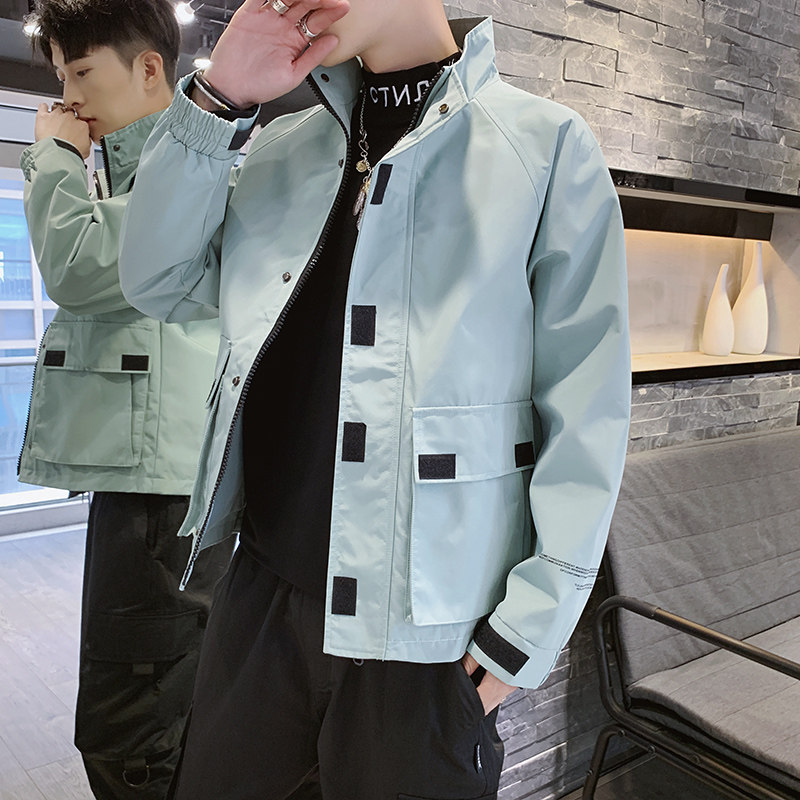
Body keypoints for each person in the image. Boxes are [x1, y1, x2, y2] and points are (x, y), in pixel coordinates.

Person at [119, 1, 631, 797]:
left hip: (428, 642)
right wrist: (218, 101)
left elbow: (586, 408)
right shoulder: (279, 148)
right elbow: (155, 279)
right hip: (259, 604)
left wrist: (526, 629)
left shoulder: (543, 147)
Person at [18, 1, 234, 797]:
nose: (68, 98)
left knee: (130, 733)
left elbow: (77, 266)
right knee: (154, 718)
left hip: (163, 495)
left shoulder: (187, 173)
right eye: (60, 77)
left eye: (81, 71)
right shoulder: (149, 169)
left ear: (149, 69)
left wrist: (52, 160)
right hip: (156, 485)